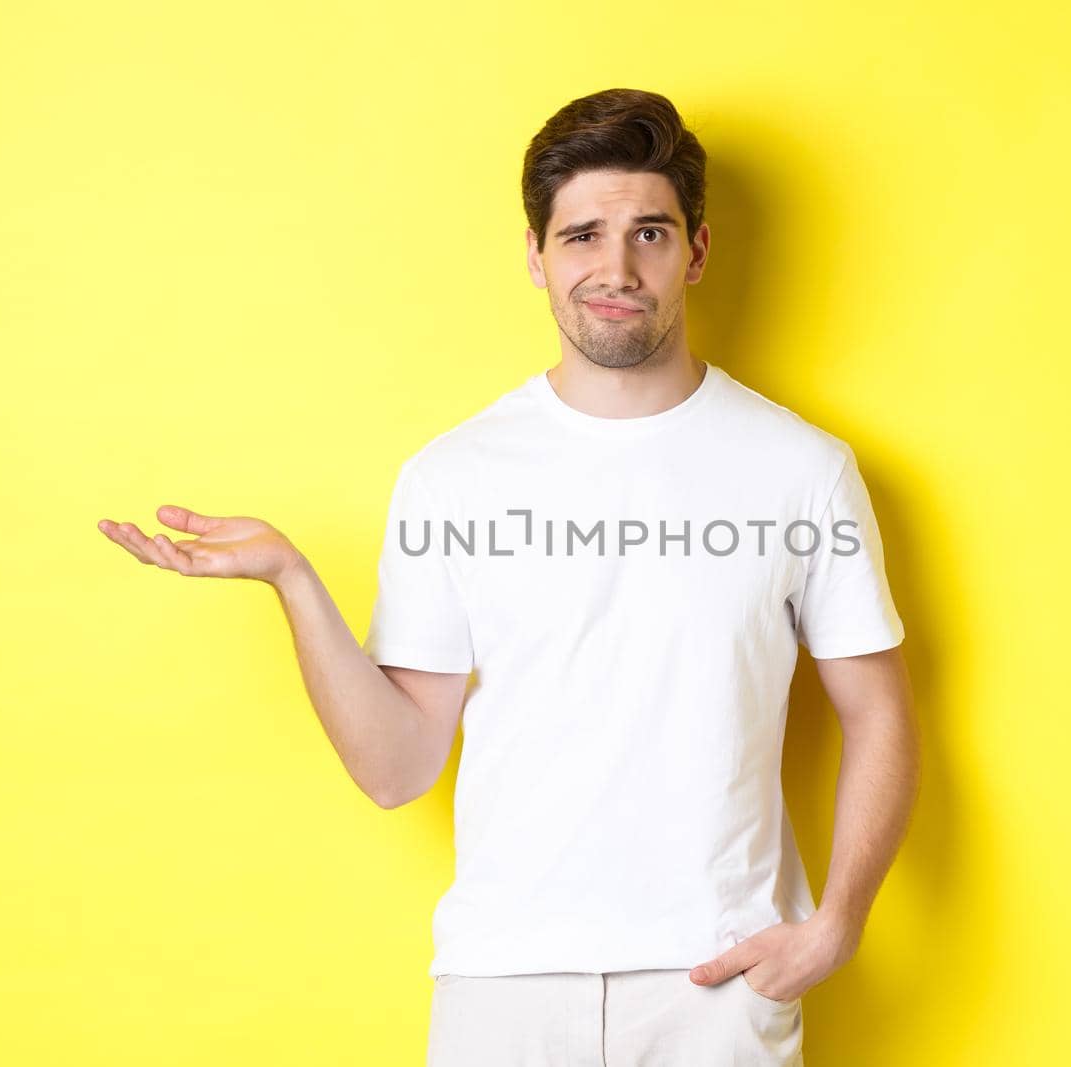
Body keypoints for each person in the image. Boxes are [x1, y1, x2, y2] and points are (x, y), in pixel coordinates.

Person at [96, 87, 919, 1066]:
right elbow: (398, 767)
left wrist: (835, 924)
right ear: (536, 254)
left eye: (649, 232)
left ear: (694, 251)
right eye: (581, 236)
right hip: (503, 988)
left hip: (720, 984)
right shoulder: (453, 476)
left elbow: (878, 711)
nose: (614, 267)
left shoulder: (799, 468)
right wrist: (292, 579)